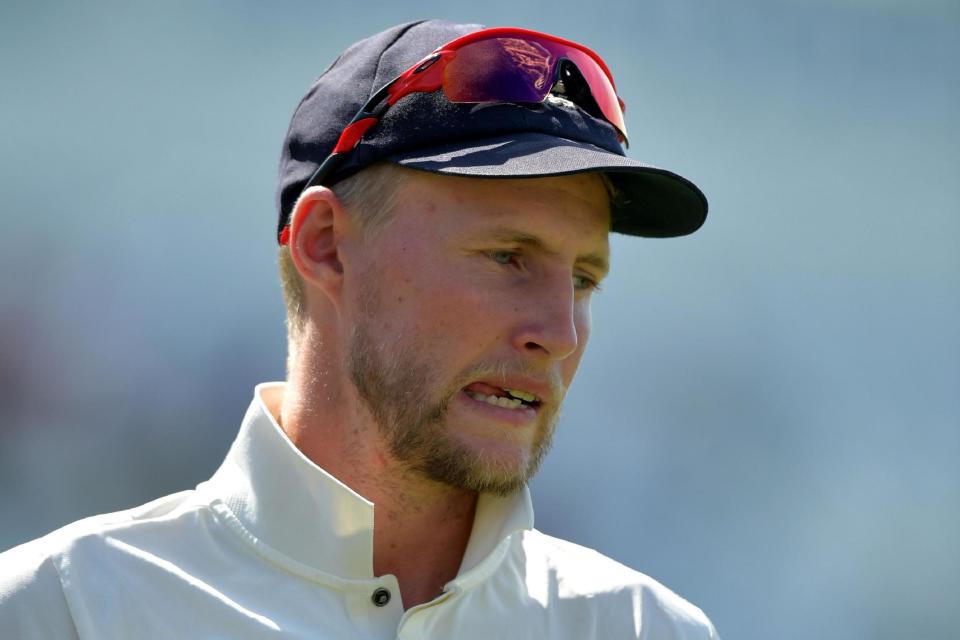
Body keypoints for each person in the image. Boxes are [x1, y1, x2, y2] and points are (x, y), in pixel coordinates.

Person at [0, 20, 719, 638]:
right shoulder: (60, 611)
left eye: (584, 279)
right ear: (325, 245)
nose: (558, 333)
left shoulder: (644, 628)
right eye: (507, 257)